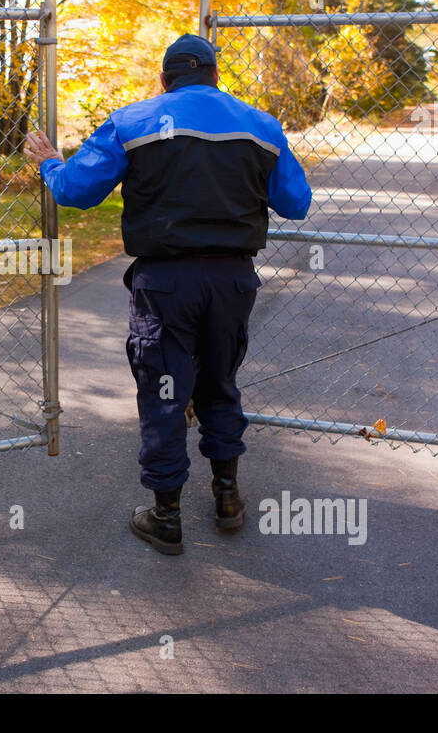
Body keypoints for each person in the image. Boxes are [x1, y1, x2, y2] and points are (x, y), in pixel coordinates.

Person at [22, 33, 312, 555]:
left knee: (163, 391)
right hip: (232, 279)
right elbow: (297, 204)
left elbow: (76, 192)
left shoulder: (132, 122)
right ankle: (227, 498)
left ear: (164, 79)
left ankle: (166, 516)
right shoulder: (262, 127)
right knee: (219, 383)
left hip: (166, 282)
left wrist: (49, 161)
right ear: (216, 77)